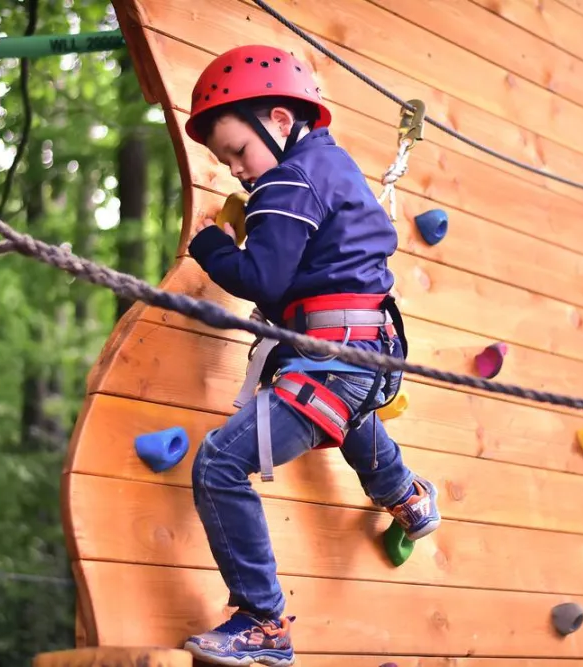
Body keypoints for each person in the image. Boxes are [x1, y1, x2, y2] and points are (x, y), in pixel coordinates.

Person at [180, 44, 442, 666]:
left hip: (336, 354)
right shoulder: (330, 164)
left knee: (218, 462)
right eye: (226, 162)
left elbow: (264, 278)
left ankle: (264, 622)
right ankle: (406, 494)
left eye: (238, 152)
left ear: (277, 119)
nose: (240, 171)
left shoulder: (287, 181)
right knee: (342, 415)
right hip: (366, 350)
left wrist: (211, 245)